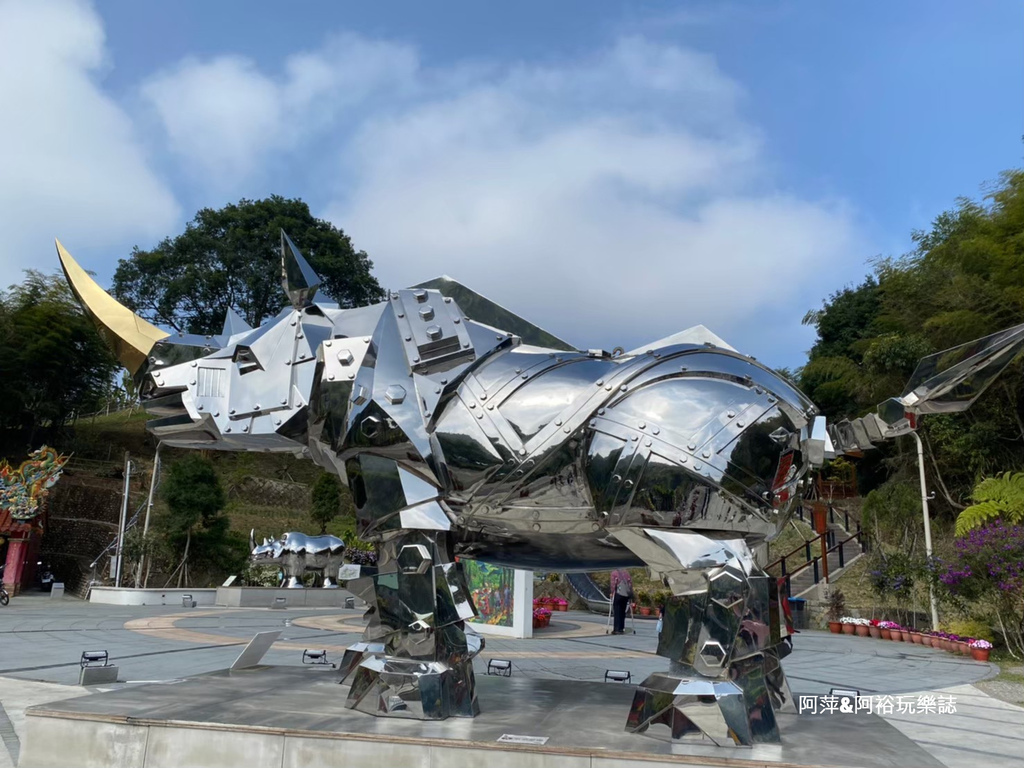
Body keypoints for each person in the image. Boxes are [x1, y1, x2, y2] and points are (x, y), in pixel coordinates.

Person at [609, 568, 633, 634]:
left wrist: (612, 592)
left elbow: (613, 585)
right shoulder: (626, 573)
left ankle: (616, 629)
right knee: (622, 611)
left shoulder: (614, 573)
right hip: (625, 595)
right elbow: (630, 584)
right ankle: (621, 628)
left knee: (617, 611)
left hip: (618, 594)